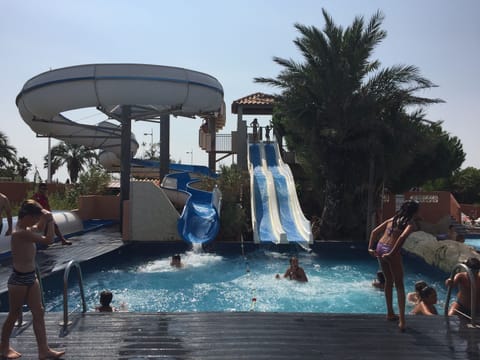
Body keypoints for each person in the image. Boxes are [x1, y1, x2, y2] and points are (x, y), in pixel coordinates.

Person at [0, 200, 65, 359]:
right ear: (28, 216)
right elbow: (48, 239)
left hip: (31, 277)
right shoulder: (19, 233)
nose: (36, 221)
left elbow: (39, 227)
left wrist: (44, 213)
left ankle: (43, 350)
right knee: (14, 314)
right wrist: (49, 220)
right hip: (18, 280)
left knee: (39, 312)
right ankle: (4, 347)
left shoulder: (27, 228)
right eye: (34, 218)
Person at [368, 199, 420, 332]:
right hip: (391, 249)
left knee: (389, 281)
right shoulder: (410, 224)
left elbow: (374, 232)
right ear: (415, 211)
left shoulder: (392, 219)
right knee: (400, 285)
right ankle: (402, 320)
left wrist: (370, 248)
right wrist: (391, 253)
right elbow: (401, 238)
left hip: (379, 247)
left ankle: (390, 313)